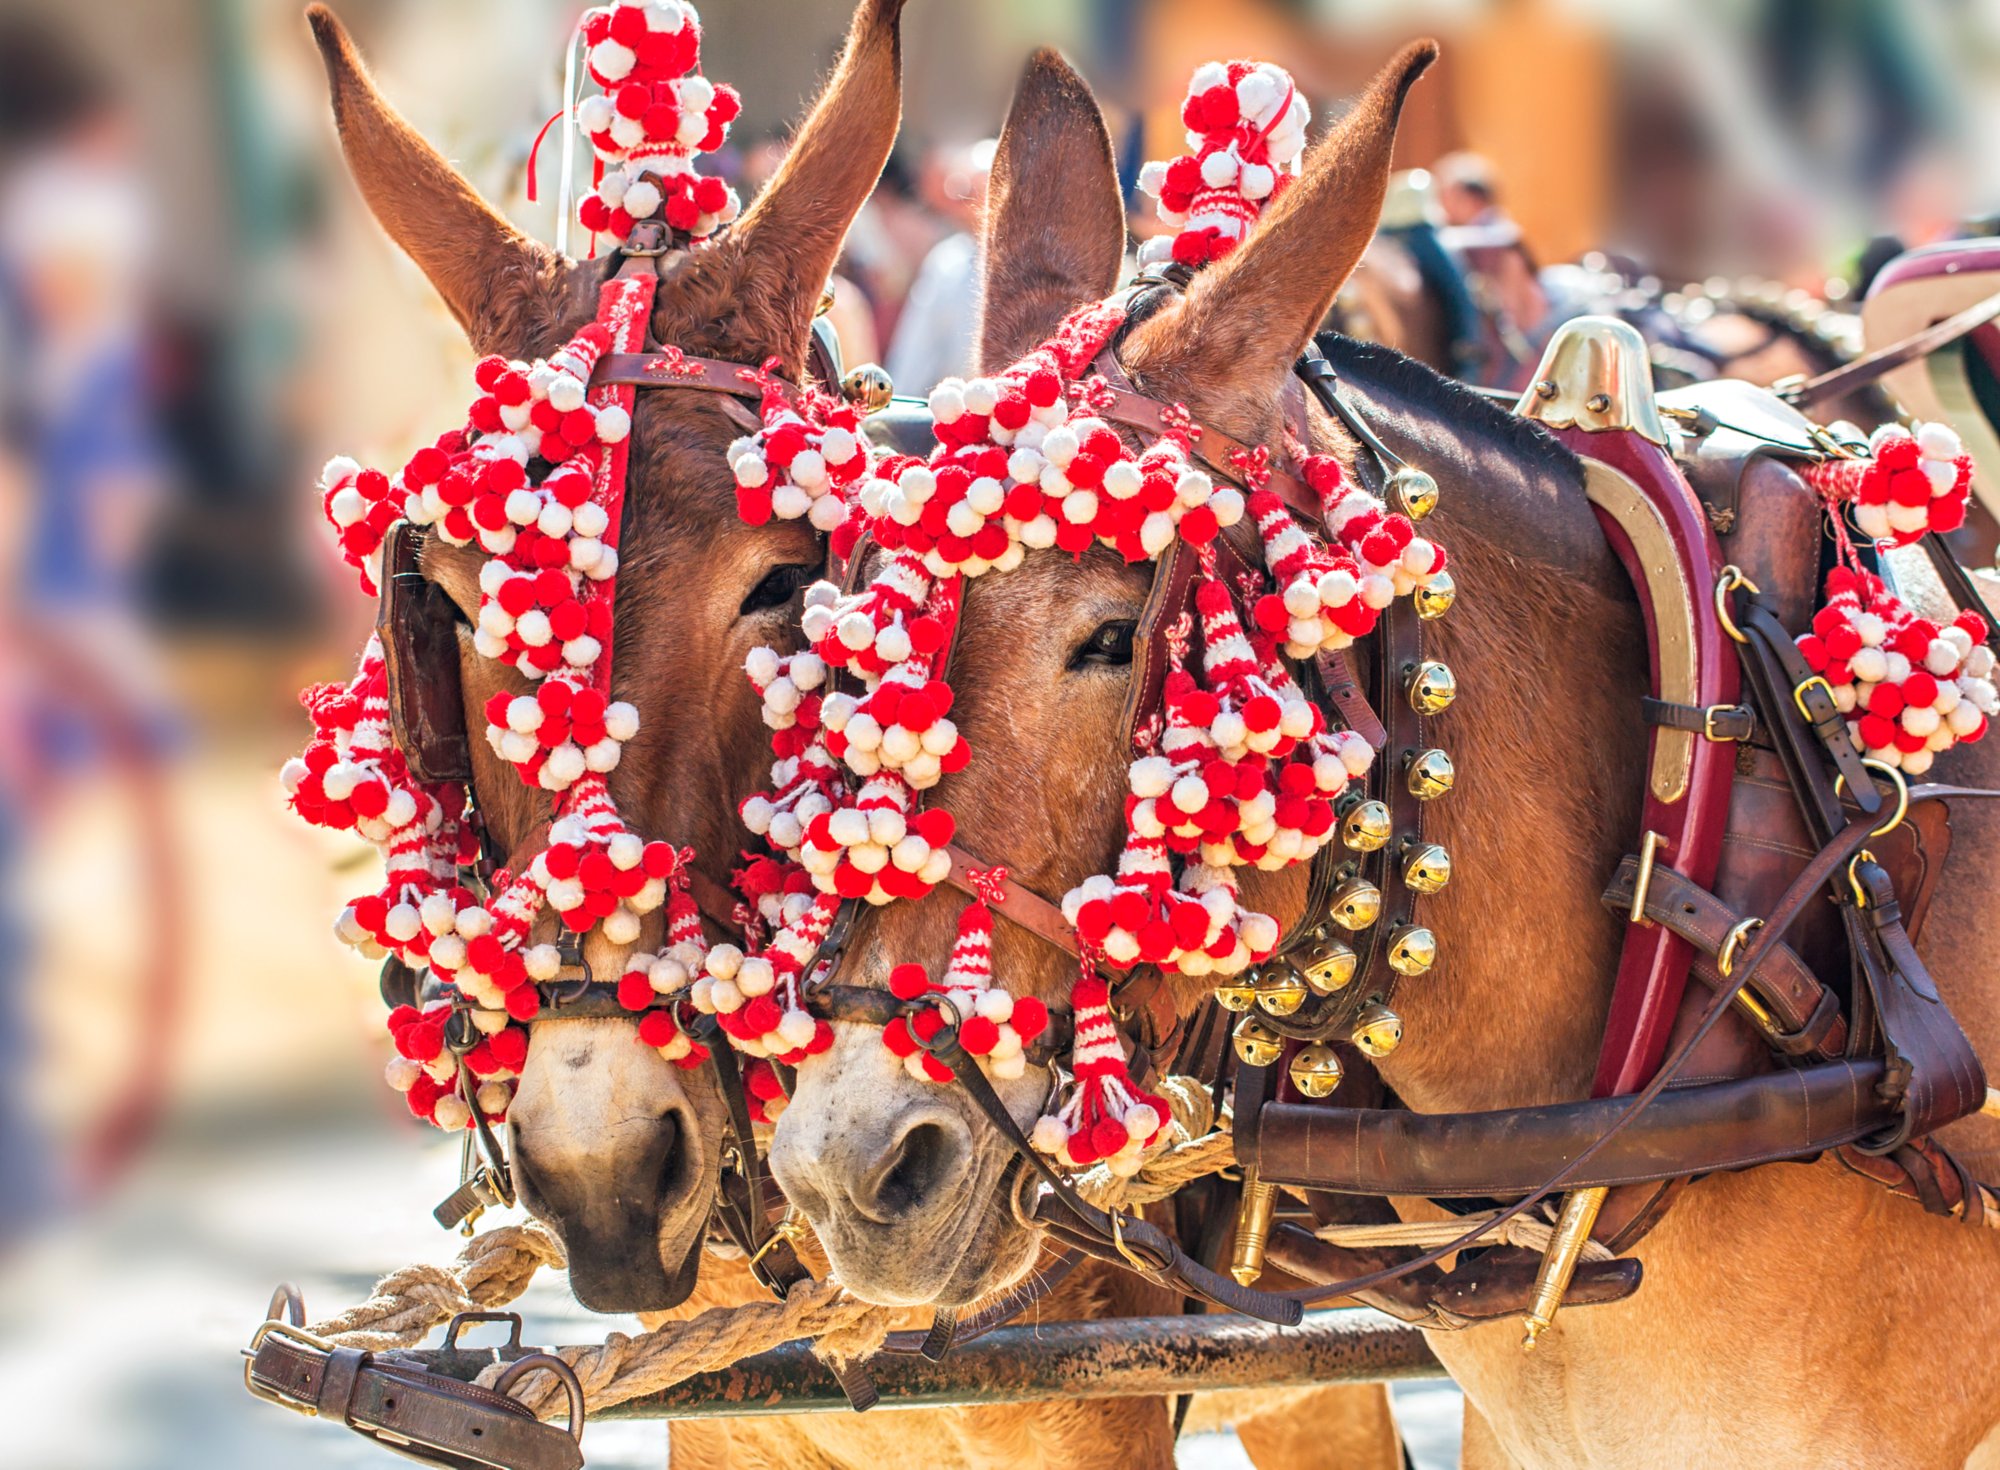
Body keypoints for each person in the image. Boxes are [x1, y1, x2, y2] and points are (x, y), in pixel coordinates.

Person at [884, 138, 993, 395]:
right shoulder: (947, 262)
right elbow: (916, 349)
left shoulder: (1041, 264)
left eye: (976, 191)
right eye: (965, 192)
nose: (968, 204)